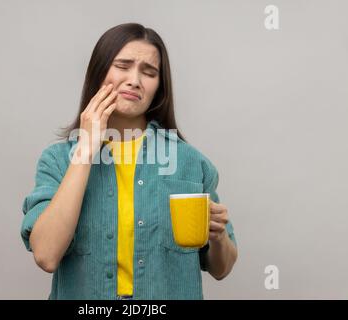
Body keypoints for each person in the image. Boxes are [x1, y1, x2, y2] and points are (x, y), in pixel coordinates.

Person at [21, 23, 237, 300]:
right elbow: (46, 255)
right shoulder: (58, 160)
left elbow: (222, 268)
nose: (135, 80)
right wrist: (86, 150)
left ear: (159, 87)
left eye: (149, 72)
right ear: (99, 72)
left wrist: (218, 237)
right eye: (123, 66)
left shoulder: (190, 162)